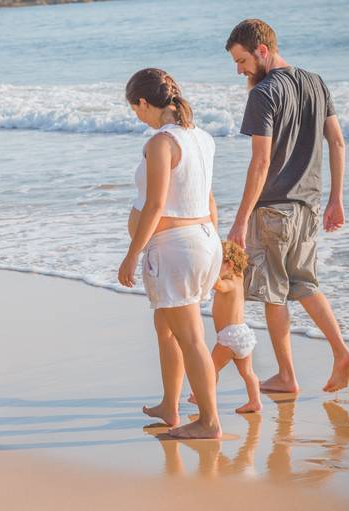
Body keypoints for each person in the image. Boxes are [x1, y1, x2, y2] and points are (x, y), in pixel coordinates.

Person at [225, 19, 349, 393]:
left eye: (242, 61)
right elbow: (338, 142)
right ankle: (341, 351)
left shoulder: (263, 93)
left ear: (262, 51)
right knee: (304, 283)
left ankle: (286, 376)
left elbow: (261, 164)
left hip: (273, 209)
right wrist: (336, 198)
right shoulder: (316, 81)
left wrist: (240, 220)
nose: (240, 70)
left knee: (272, 292)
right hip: (309, 207)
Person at [118, 68, 222, 439]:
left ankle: (209, 422)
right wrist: (216, 249)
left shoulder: (162, 143)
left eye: (136, 109)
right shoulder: (202, 138)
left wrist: (132, 253)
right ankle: (170, 404)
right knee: (165, 327)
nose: (137, 117)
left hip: (176, 249)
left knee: (191, 336)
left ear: (144, 102)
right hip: (202, 240)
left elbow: (156, 204)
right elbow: (208, 198)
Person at [190, 240, 261, 413]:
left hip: (230, 337)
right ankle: (255, 401)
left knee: (211, 369)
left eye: (215, 264)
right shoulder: (238, 277)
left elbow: (219, 285)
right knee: (248, 372)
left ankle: (204, 399)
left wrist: (208, 272)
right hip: (243, 335)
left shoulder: (230, 283)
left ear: (229, 264)